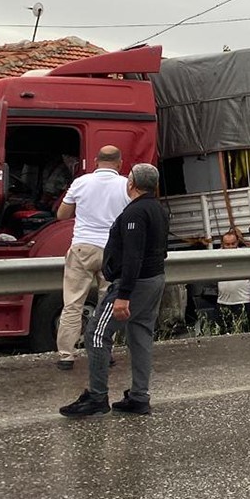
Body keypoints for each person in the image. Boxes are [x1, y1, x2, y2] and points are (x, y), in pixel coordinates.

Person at [60, 163, 168, 418]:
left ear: (131, 183)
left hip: (133, 283)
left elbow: (133, 256)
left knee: (96, 334)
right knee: (140, 335)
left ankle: (97, 397)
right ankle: (139, 396)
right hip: (155, 279)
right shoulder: (160, 210)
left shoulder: (135, 213)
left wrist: (123, 295)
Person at [53, 146, 129, 371]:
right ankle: (104, 351)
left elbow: (62, 215)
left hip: (83, 248)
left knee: (73, 304)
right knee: (108, 304)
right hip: (112, 250)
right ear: (119, 163)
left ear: (96, 161)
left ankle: (66, 356)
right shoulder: (126, 184)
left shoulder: (80, 182)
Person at [215, 228, 250, 332]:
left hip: (242, 300)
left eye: (233, 243)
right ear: (222, 244)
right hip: (223, 301)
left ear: (237, 242)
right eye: (227, 244)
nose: (230, 247)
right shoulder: (216, 255)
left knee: (244, 331)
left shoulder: (244, 255)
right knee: (223, 332)